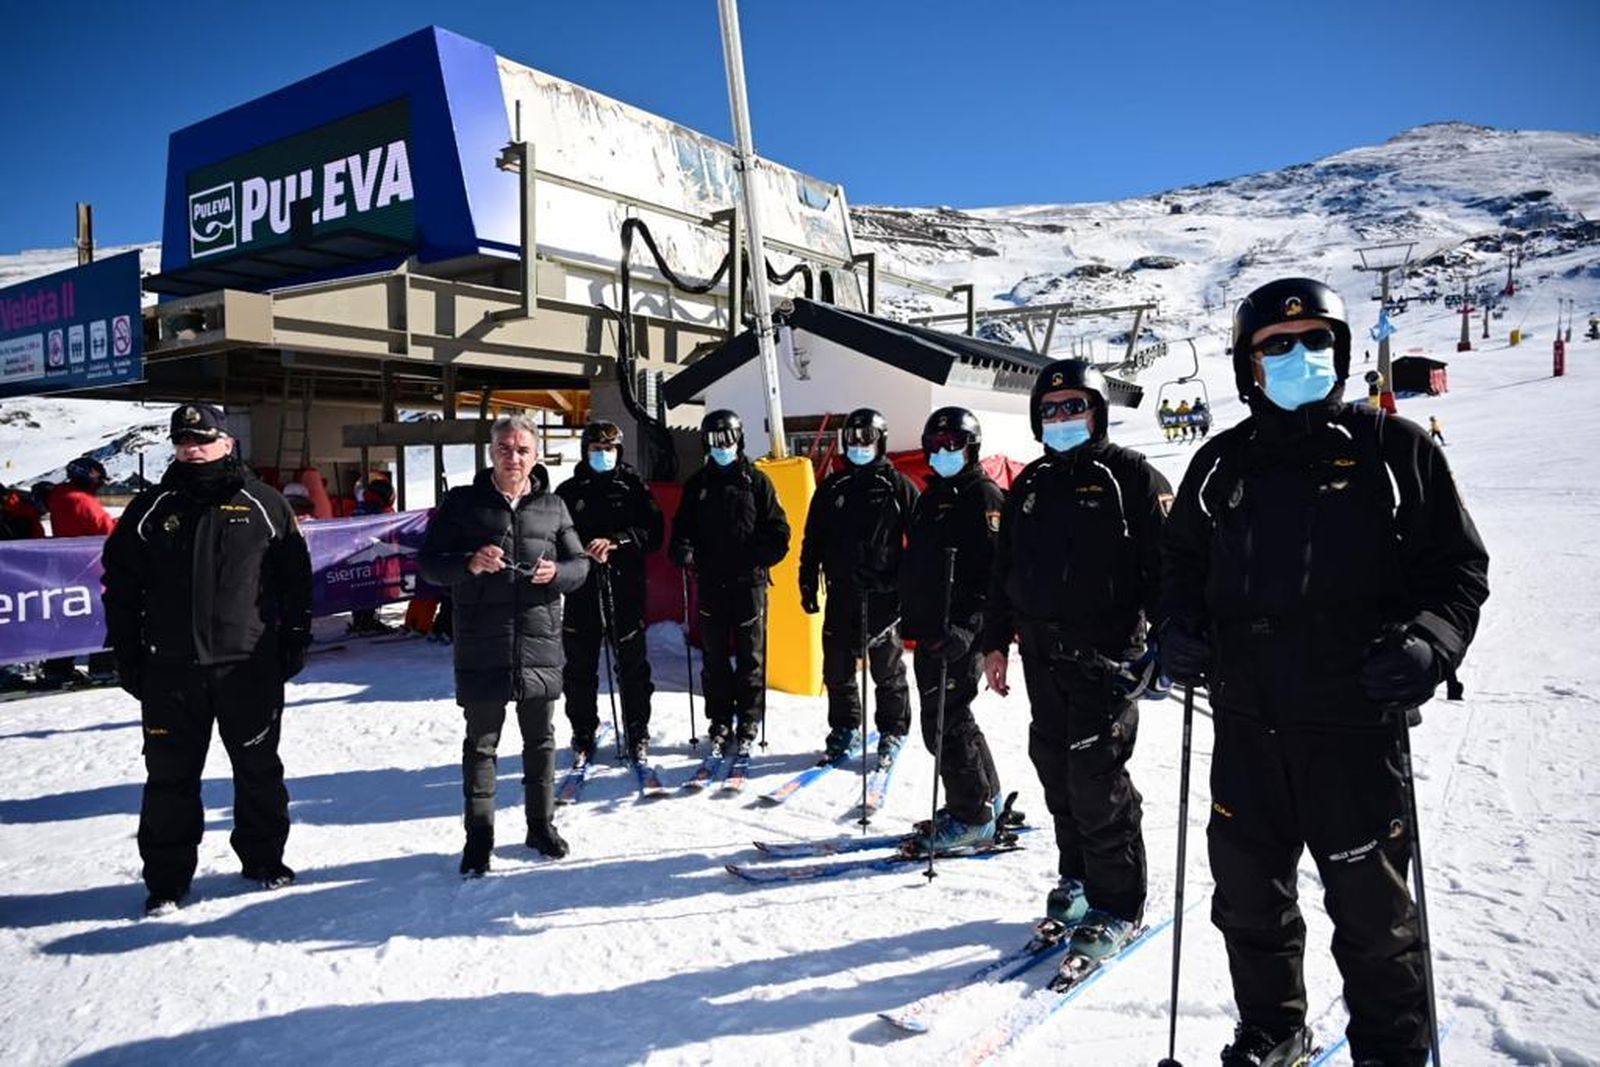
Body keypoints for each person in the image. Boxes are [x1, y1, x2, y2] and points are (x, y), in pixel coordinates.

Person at [1160, 278, 1489, 1067]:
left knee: (1375, 917)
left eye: (1313, 342)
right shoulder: (1218, 463)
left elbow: (1458, 570)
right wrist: (1176, 629)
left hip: (1353, 728)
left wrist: (1430, 642)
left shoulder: (1393, 449)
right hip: (1245, 728)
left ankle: (1389, 1049)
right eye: (1277, 345)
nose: (1296, 356)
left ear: (1340, 353)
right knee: (1248, 902)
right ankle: (1273, 1031)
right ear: (1248, 364)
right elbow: (1175, 568)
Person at [981, 359, 1169, 959]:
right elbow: (1002, 569)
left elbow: (1166, 571)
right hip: (1040, 655)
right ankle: (1081, 877)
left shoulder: (1130, 477)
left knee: (1096, 779)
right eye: (1052, 409)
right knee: (1056, 771)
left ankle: (1119, 901)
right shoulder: (1030, 484)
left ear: (1098, 411)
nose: (1063, 418)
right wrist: (994, 641)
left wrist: (1166, 642)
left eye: (1075, 407)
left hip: (1105, 658)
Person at [102, 402, 313, 916]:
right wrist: (127, 653)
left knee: (258, 769)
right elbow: (121, 586)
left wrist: (294, 639)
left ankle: (264, 860)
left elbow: (295, 580)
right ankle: (167, 882)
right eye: (182, 442)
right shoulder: (151, 508)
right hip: (171, 671)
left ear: (227, 443)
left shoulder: (263, 503)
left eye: (201, 440)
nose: (192, 450)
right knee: (170, 779)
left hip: (247, 666)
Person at [419, 413, 589, 873]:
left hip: (540, 641)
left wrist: (560, 573)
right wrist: (470, 562)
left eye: (522, 450)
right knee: (482, 745)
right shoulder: (461, 503)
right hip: (482, 642)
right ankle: (479, 837)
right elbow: (430, 564)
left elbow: (580, 565)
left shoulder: (553, 506)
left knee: (541, 743)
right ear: (491, 453)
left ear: (536, 455)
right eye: (504, 449)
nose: (513, 457)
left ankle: (541, 825)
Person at [899, 406, 1005, 852]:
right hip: (930, 628)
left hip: (961, 631)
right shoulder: (932, 496)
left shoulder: (984, 497)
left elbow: (998, 575)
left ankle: (971, 814)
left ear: (971, 446)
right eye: (935, 446)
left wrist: (970, 629)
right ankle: (987, 798)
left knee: (946, 720)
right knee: (951, 716)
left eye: (952, 445)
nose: (942, 452)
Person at [798, 407, 918, 765]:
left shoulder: (898, 486)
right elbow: (813, 538)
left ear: (880, 442)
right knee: (836, 668)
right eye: (851, 438)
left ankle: (893, 730)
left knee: (886, 670)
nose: (858, 445)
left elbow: (923, 543)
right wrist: (807, 580)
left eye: (866, 438)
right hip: (841, 592)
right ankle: (844, 727)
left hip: (883, 596)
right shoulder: (834, 486)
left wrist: (901, 583)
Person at [667, 410, 790, 757]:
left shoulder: (757, 481)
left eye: (727, 441)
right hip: (711, 581)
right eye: (714, 442)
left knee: (751, 655)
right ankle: (720, 719)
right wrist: (683, 549)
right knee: (715, 655)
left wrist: (758, 557)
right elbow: (682, 529)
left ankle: (749, 720)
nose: (721, 448)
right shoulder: (697, 485)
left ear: (739, 441)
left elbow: (779, 532)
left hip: (748, 583)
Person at [555, 420, 665, 764]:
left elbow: (654, 533)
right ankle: (583, 730)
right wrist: (578, 551)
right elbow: (554, 537)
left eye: (609, 449)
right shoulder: (569, 491)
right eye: (596, 449)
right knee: (579, 667)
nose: (603, 455)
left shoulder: (634, 488)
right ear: (585, 451)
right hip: (582, 588)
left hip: (625, 587)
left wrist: (618, 541)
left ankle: (637, 729)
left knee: (632, 665)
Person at [39, 457, 120, 686]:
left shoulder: (60, 496)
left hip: (72, 568)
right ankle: (103, 668)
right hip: (93, 568)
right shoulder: (80, 500)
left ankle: (57, 668)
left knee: (74, 619)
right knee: (105, 618)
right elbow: (105, 529)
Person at [348, 478, 399, 635]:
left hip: (355, 556)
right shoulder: (381, 512)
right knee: (372, 586)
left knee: (359, 587)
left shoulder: (359, 508)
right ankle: (368, 622)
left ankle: (359, 621)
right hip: (374, 557)